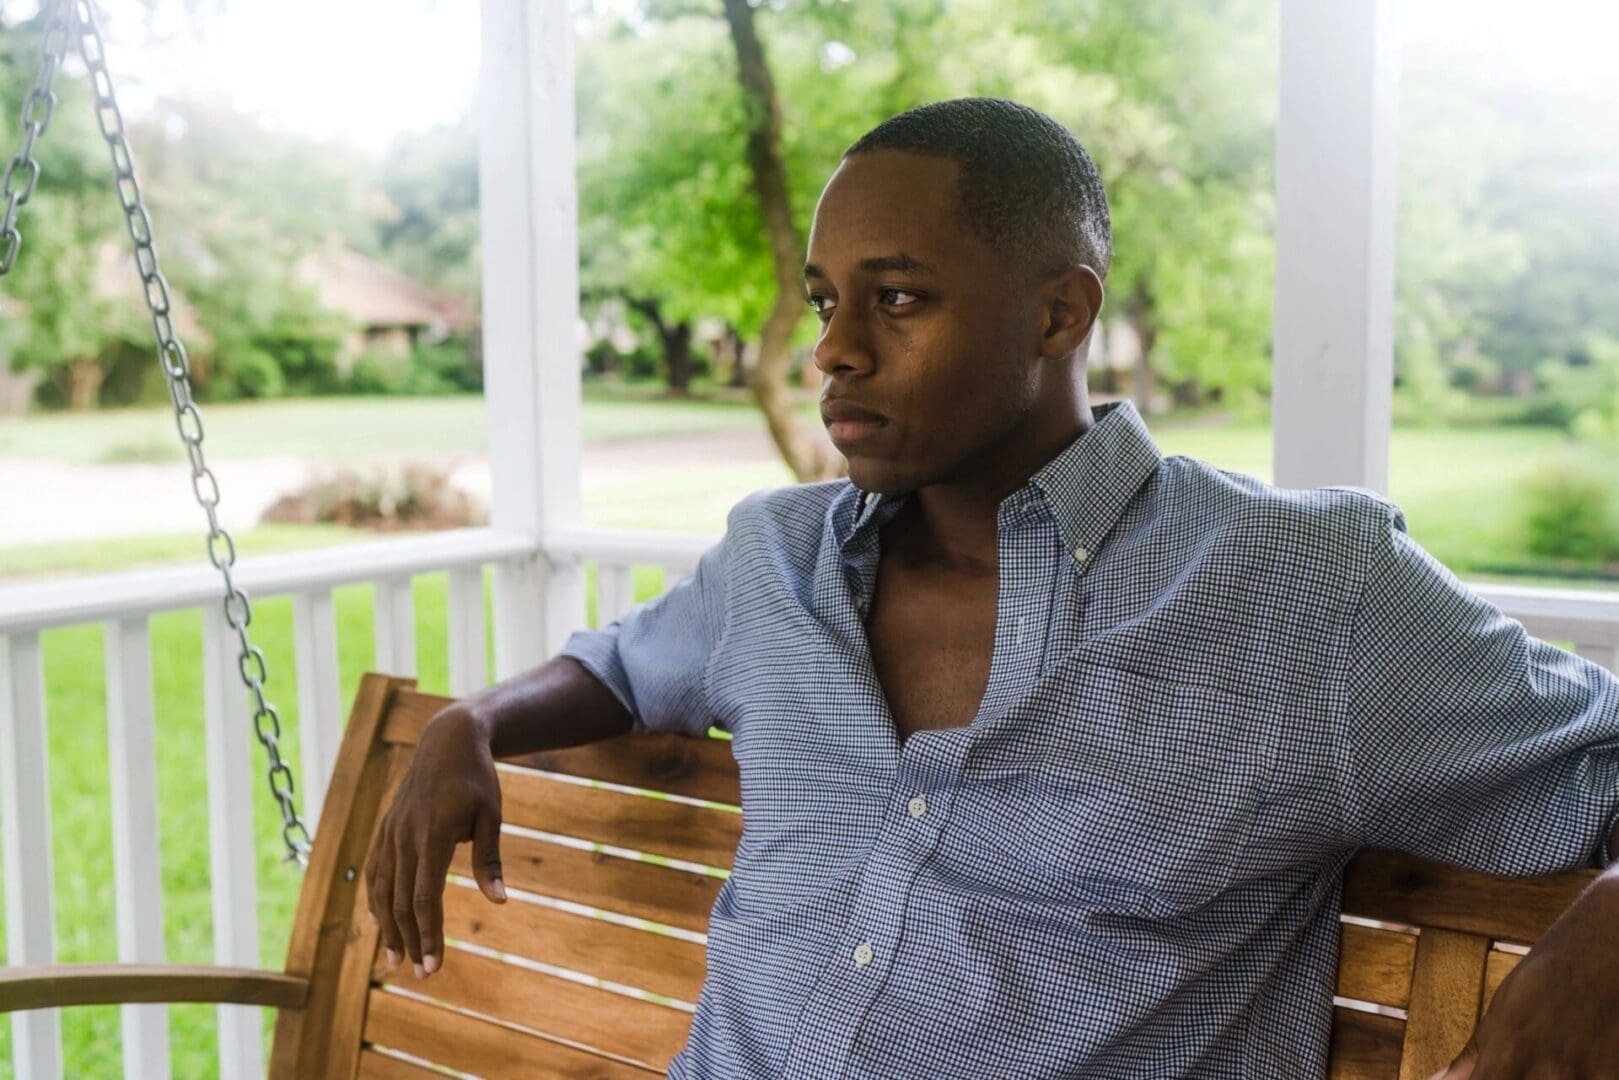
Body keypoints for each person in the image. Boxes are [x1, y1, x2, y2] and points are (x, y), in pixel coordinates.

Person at [365, 98, 1619, 1079]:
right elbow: (625, 666)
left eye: (896, 298)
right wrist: (470, 726)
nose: (835, 350)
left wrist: (1596, 949)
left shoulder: (1296, 594)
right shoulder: (775, 565)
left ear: (1057, 315)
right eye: (824, 300)